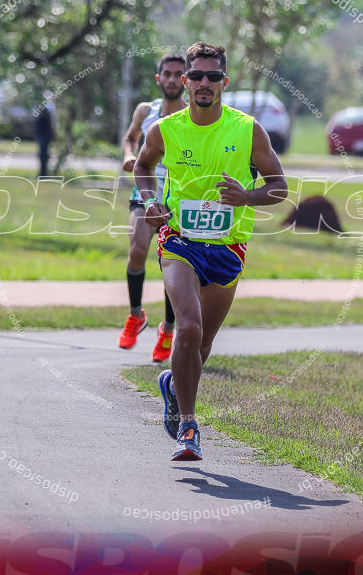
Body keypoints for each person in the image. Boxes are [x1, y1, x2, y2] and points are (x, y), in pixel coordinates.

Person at [135, 42, 288, 461]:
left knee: (199, 349)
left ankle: (171, 384)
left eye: (213, 76)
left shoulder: (248, 129)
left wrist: (246, 197)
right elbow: (142, 167)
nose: (205, 83)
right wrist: (150, 201)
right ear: (184, 81)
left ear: (224, 81)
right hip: (179, 241)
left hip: (228, 246)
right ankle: (189, 426)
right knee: (187, 329)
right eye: (197, 76)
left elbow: (280, 187)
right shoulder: (165, 129)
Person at [118, 53, 187, 360]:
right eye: (167, 74)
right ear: (158, 78)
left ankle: (168, 329)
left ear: (185, 80)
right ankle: (136, 315)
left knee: (171, 263)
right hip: (145, 192)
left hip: (176, 198)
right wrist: (128, 156)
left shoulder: (190, 117)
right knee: (136, 251)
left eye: (178, 74)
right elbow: (130, 138)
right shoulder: (146, 111)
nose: (172, 79)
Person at [34, 96, 56, 177]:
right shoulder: (39, 111)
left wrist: (53, 134)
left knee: (43, 155)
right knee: (41, 155)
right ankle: (42, 172)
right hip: (40, 136)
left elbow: (50, 125)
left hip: (45, 136)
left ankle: (44, 173)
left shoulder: (46, 113)